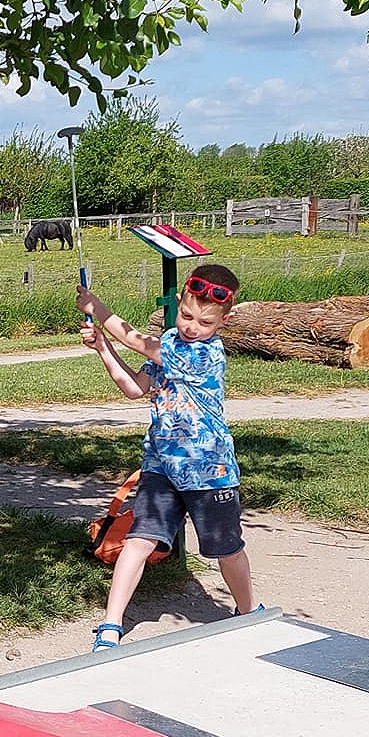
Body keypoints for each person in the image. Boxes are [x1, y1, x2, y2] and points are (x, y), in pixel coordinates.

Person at [78, 263, 256, 650]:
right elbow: (135, 387)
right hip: (161, 466)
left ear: (223, 321)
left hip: (210, 470)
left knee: (226, 549)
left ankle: (248, 612)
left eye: (206, 322)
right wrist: (102, 347)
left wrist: (100, 309)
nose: (193, 327)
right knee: (139, 541)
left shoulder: (207, 354)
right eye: (188, 316)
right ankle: (110, 625)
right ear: (179, 304)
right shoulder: (173, 343)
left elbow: (141, 344)